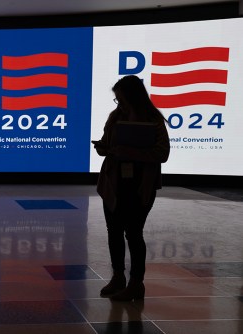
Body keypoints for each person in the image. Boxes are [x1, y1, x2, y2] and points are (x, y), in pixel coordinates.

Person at [93, 75, 170, 301]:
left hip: (140, 185)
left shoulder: (153, 119)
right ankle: (118, 277)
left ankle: (137, 283)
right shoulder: (115, 117)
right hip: (114, 184)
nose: (119, 103)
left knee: (134, 233)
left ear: (132, 96)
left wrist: (130, 153)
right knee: (114, 232)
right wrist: (103, 147)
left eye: (121, 98)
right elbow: (108, 144)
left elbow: (162, 154)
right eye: (117, 100)